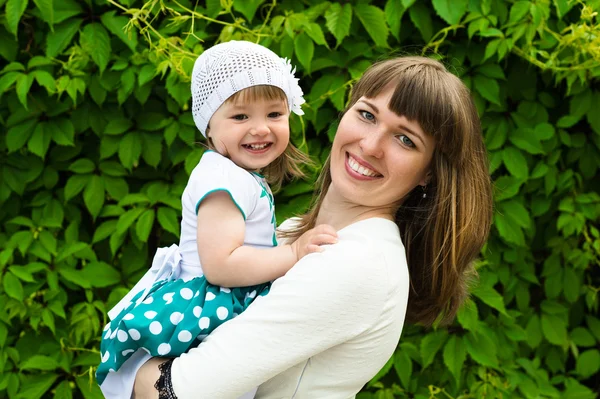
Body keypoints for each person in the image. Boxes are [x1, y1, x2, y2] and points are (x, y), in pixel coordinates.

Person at [133, 55, 494, 398]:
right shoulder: (294, 236)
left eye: (405, 139)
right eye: (367, 115)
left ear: (429, 172)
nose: (370, 145)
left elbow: (177, 391)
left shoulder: (354, 262)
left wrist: (129, 364)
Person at [96, 41, 338, 398]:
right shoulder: (223, 181)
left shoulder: (232, 174)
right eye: (240, 117)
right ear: (208, 126)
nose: (260, 128)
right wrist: (295, 253)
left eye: (274, 114)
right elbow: (221, 265)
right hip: (209, 304)